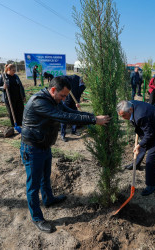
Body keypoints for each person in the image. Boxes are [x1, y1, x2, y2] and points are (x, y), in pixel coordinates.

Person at [20, 76, 110, 233]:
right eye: (62, 95)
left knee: (45, 176)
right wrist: (94, 120)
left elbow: (69, 111)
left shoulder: (54, 100)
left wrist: (91, 116)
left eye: (66, 96)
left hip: (44, 145)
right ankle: (37, 218)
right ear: (53, 90)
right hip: (32, 148)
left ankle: (48, 199)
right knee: (33, 186)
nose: (64, 99)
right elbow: (64, 117)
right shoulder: (39, 102)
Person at [117, 100, 155, 196]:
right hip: (150, 125)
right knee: (143, 144)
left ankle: (152, 185)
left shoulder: (141, 116)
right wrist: (140, 145)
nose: (123, 118)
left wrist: (138, 145)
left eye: (123, 115)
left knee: (151, 156)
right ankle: (136, 163)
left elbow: (149, 134)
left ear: (130, 109)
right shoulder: (130, 104)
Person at [60, 75, 86, 142]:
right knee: (64, 117)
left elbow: (79, 94)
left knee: (75, 116)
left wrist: (78, 102)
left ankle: (73, 131)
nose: (85, 82)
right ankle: (63, 134)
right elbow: (63, 77)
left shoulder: (84, 85)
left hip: (75, 102)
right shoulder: (74, 78)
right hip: (67, 100)